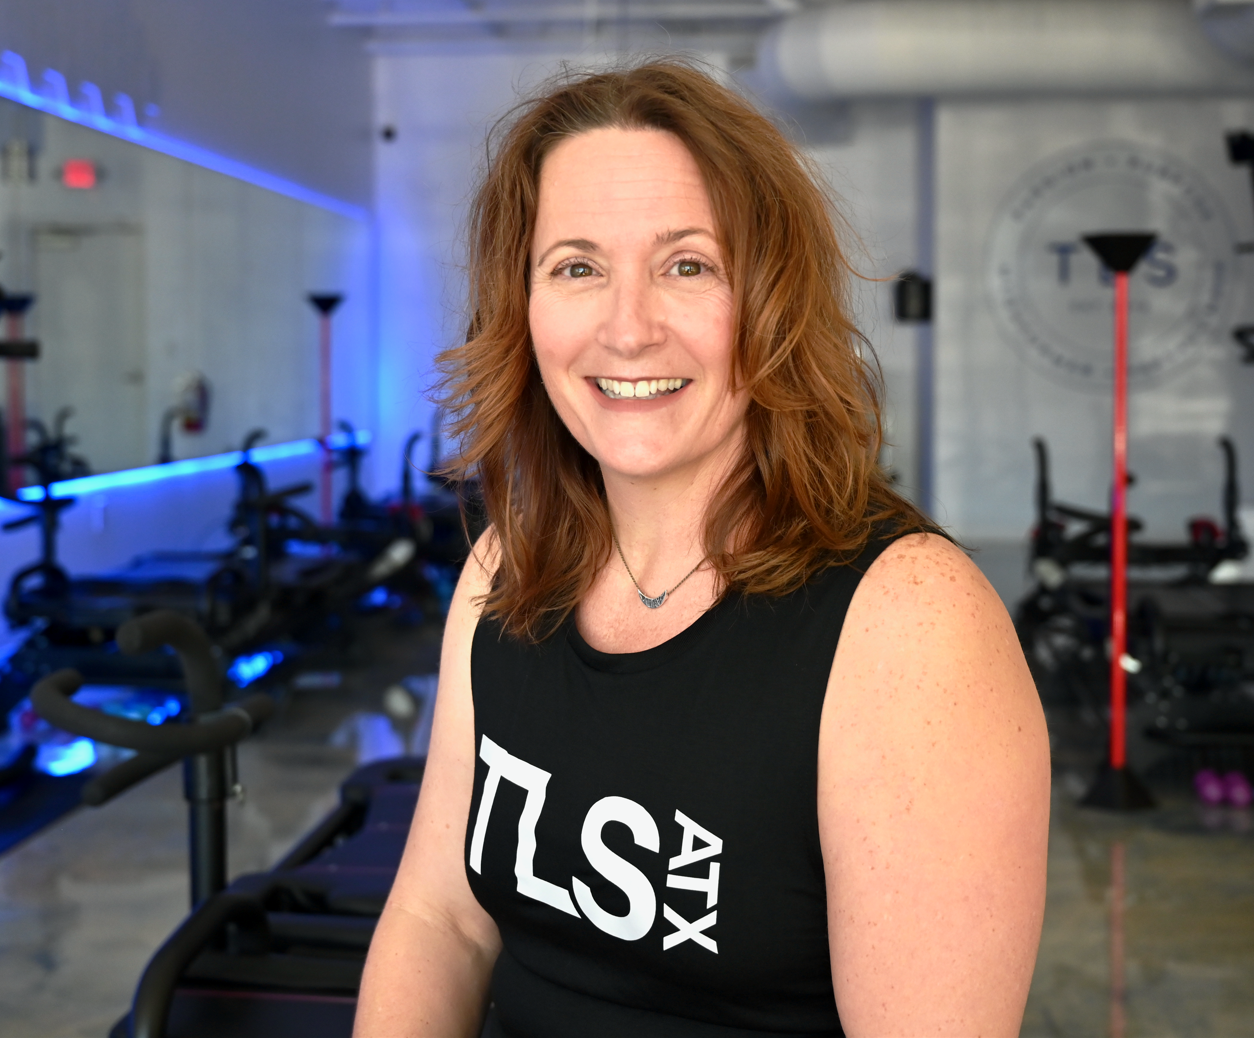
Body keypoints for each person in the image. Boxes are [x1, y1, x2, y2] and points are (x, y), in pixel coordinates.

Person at [354, 60, 1049, 1038]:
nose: (628, 328)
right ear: (525, 307)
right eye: (577, 267)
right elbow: (443, 923)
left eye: (688, 264)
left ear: (771, 302)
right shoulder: (506, 573)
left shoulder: (910, 630)